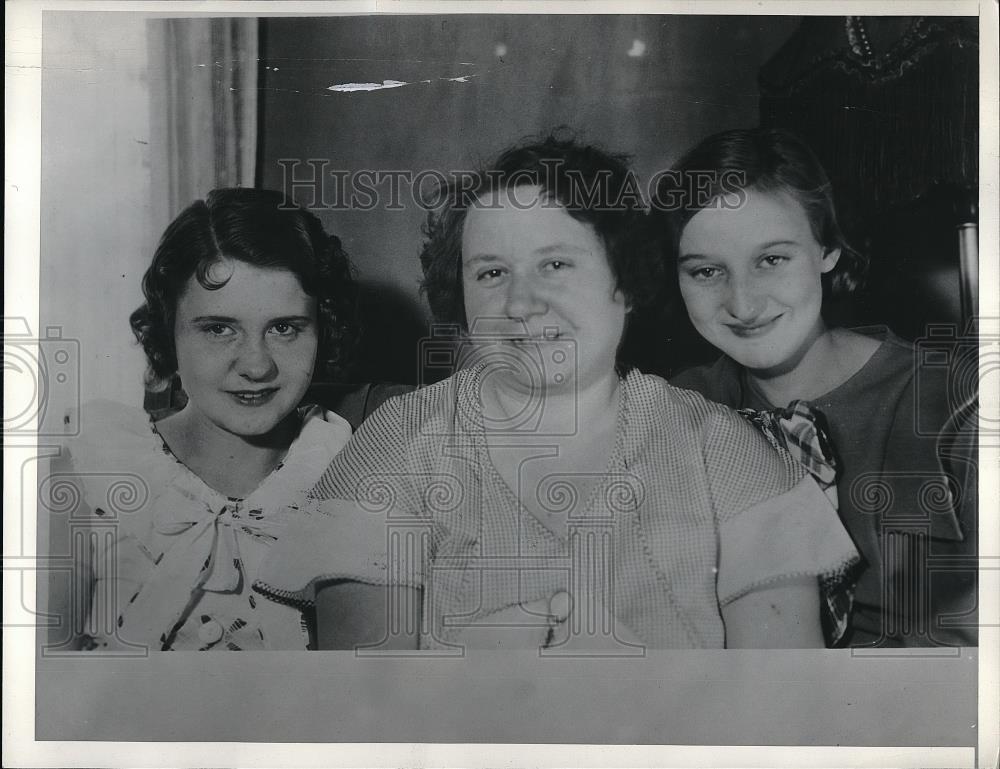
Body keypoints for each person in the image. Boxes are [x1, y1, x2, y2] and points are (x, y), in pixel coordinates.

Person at [254, 134, 860, 650]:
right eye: (491, 273)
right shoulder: (396, 447)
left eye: (555, 265)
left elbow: (782, 710)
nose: (519, 305)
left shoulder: (722, 452)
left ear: (627, 281)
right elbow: (365, 714)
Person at [657, 128, 977, 647]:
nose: (742, 304)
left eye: (771, 260)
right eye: (707, 271)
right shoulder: (675, 410)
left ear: (828, 248)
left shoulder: (957, 406)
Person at [45, 188, 359, 651]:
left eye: (284, 328)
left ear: (322, 330)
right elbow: (37, 695)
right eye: (218, 329)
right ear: (169, 332)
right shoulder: (92, 469)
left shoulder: (348, 471)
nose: (256, 365)